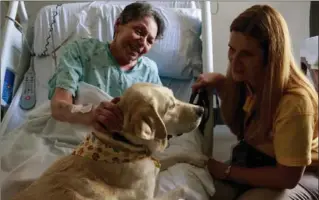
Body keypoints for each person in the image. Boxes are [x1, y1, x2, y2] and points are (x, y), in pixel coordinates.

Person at [192, 4, 319, 200]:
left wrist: (227, 171)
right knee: (199, 190)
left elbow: (288, 177)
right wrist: (219, 82)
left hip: (302, 174)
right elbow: (247, 114)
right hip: (259, 162)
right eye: (232, 49)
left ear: (271, 58)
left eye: (247, 54)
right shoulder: (249, 82)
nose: (234, 62)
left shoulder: (295, 102)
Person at [48, 2, 165, 133]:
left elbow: (160, 118)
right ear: (118, 25)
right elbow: (59, 107)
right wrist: (92, 114)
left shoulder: (149, 71)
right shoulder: (81, 51)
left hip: (124, 143)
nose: (143, 43)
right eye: (139, 31)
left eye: (150, 41)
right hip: (73, 135)